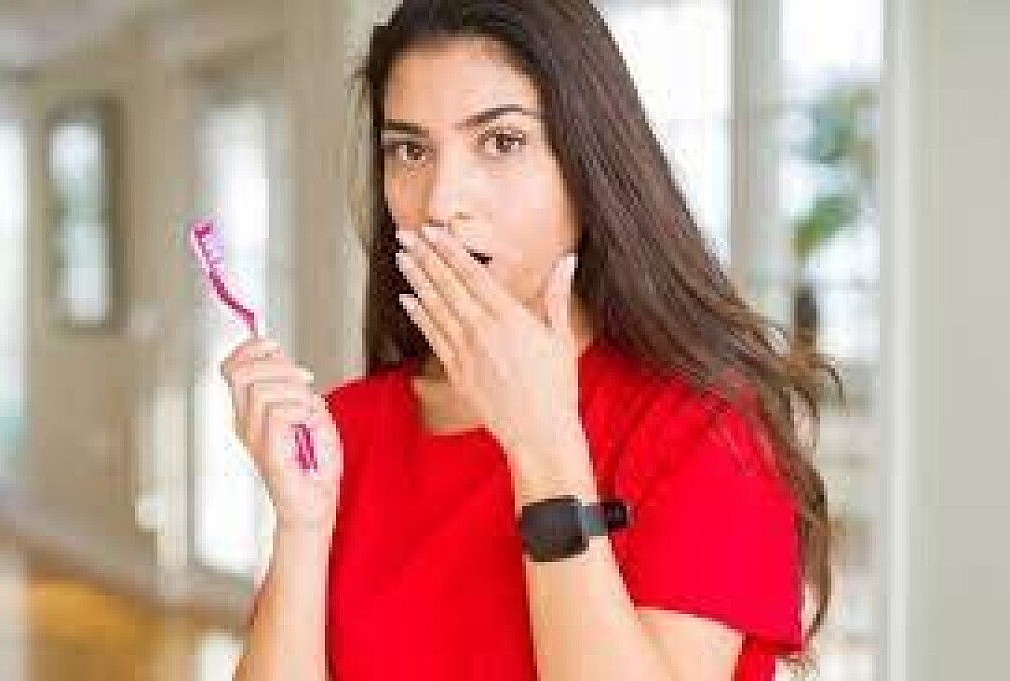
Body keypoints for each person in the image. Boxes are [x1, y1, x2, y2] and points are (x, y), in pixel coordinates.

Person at [223, 1, 841, 679]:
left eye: (501, 141)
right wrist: (303, 527)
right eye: (410, 150)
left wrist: (545, 449)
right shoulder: (345, 434)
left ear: (588, 162)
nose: (440, 202)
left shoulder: (704, 431)